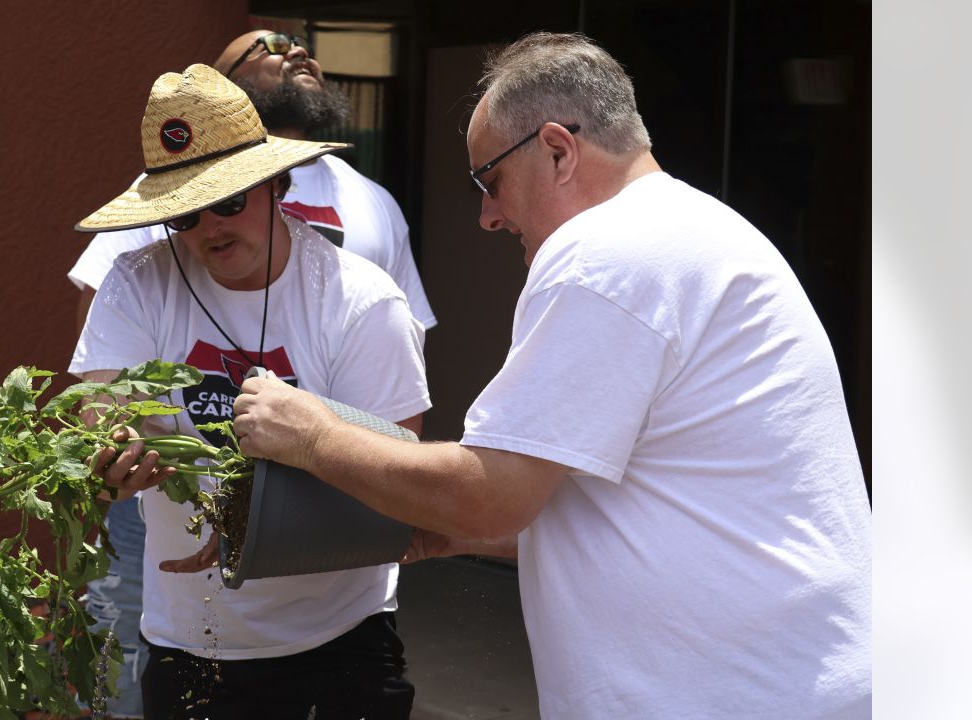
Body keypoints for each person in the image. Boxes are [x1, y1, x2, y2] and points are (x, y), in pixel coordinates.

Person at [230, 32, 872, 718]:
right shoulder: (690, 229)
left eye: (490, 180)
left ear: (559, 150)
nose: (487, 215)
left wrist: (312, 435)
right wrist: (464, 534)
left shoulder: (603, 255)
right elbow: (652, 497)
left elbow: (492, 494)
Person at [67, 29, 435, 719]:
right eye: (183, 212)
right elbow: (98, 410)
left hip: (339, 636)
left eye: (229, 201)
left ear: (276, 186)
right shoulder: (137, 282)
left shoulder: (360, 300)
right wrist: (110, 450)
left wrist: (255, 512)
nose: (209, 228)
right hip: (187, 641)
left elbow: (399, 482)